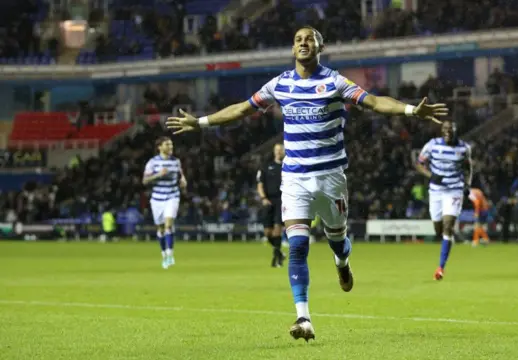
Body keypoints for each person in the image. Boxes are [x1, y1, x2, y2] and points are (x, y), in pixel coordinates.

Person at [166, 26, 448, 341]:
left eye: (309, 39)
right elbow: (242, 109)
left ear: (319, 47)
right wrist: (200, 122)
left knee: (337, 242)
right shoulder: (280, 84)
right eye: (298, 39)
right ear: (293, 48)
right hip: (295, 178)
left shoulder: (335, 81)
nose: (303, 43)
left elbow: (374, 102)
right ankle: (304, 318)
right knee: (297, 246)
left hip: (331, 179)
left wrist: (411, 110)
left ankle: (342, 262)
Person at [415, 120, 472, 281]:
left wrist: (467, 185)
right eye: (445, 129)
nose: (448, 131)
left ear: (455, 131)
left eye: (451, 129)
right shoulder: (432, 145)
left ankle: (440, 267)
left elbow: (468, 168)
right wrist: (431, 176)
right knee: (438, 228)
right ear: (441, 131)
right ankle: (448, 239)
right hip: (436, 192)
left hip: (454, 190)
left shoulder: (464, 148)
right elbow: (419, 164)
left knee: (448, 225)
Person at [142, 137, 187, 269]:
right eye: (167, 144)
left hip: (172, 196)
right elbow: (145, 181)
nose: (170, 147)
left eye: (171, 145)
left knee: (168, 225)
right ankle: (164, 254)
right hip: (157, 199)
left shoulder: (176, 161)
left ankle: (170, 255)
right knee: (161, 228)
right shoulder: (152, 162)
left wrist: (183, 181)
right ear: (159, 147)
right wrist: (158, 175)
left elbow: (181, 175)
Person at [257, 143, 286, 268]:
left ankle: (276, 260)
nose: (279, 152)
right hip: (268, 201)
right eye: (277, 150)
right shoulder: (266, 166)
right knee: (267, 232)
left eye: (281, 150)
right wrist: (263, 198)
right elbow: (260, 184)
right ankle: (280, 253)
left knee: (277, 230)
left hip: (282, 200)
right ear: (274, 152)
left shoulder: (288, 167)